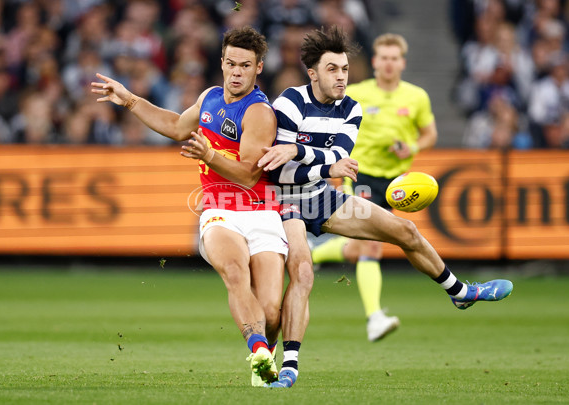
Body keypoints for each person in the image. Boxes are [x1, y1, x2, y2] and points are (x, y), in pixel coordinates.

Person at [257, 26, 514, 388]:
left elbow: (339, 154)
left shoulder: (351, 107)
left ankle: (459, 293)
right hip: (284, 197)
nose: (342, 77)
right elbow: (279, 167)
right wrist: (322, 164)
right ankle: (290, 367)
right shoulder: (289, 102)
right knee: (303, 271)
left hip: (319, 193)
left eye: (345, 69)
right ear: (312, 73)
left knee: (405, 231)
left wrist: (305, 154)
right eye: (332, 69)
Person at [91, 26, 287, 387]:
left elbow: (247, 175)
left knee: (273, 310)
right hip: (219, 209)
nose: (236, 72)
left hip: (261, 210)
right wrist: (131, 100)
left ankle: (267, 350)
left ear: (259, 68)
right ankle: (258, 349)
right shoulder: (210, 97)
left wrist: (210, 154)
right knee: (233, 270)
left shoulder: (259, 113)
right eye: (230, 63)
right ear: (222, 62)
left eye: (245, 65)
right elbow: (176, 126)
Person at [310, 33, 436, 342]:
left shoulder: (416, 96)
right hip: (358, 174)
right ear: (375, 61)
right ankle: (374, 318)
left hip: (395, 182)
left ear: (402, 63)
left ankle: (314, 254)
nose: (389, 63)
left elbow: (430, 134)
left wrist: (412, 147)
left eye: (395, 58)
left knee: (358, 246)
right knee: (371, 245)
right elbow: (328, 123)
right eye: (384, 58)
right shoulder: (355, 93)